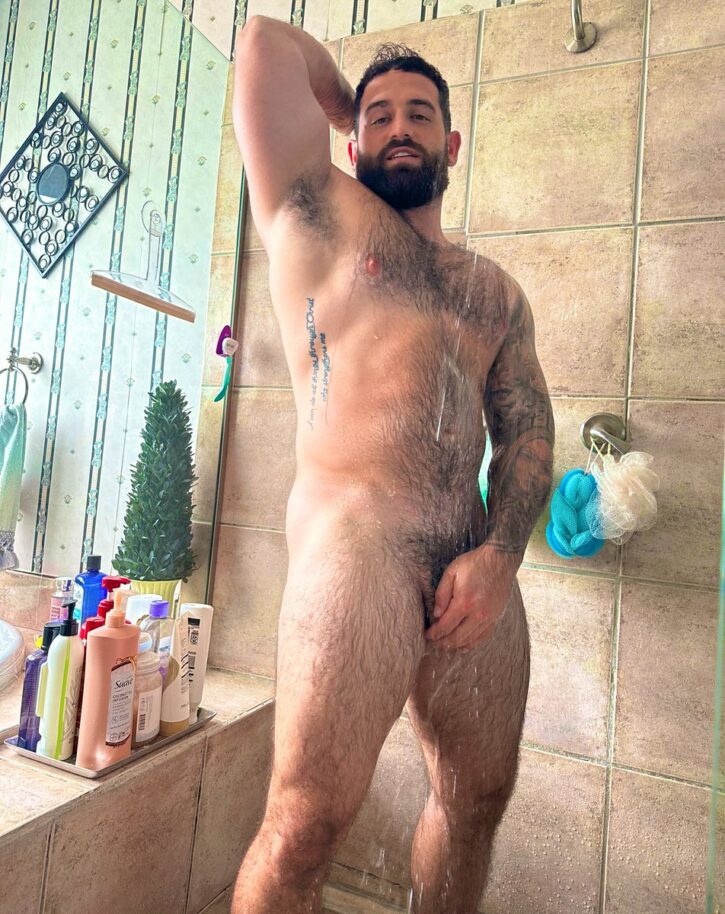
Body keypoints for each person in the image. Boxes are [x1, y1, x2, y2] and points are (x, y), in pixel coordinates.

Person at [230, 15, 554, 914]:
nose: (399, 127)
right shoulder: (315, 211)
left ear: (451, 145)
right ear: (351, 138)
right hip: (358, 543)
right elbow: (261, 44)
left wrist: (502, 555)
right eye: (380, 117)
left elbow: (527, 429)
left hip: (470, 556)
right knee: (303, 824)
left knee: (476, 805)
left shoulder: (493, 290)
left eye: (419, 115)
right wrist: (348, 103)